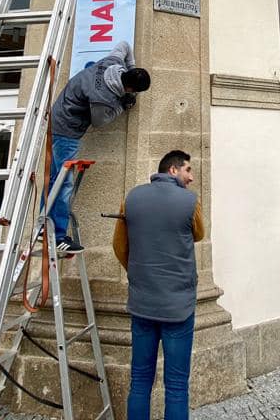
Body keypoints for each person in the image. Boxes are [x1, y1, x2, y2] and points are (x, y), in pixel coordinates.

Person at [113, 149, 204, 420]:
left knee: (139, 381)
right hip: (178, 307)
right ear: (173, 170)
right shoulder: (190, 201)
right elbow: (199, 234)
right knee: (176, 386)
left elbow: (119, 245)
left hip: (142, 303)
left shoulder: (131, 198)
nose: (192, 177)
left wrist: (139, 274)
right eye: (188, 170)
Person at [46, 40, 149, 254]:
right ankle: (57, 237)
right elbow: (100, 121)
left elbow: (124, 45)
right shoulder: (104, 98)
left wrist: (131, 68)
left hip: (60, 112)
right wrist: (123, 104)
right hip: (67, 128)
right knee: (64, 182)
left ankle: (43, 226)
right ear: (129, 88)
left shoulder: (111, 62)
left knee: (56, 179)